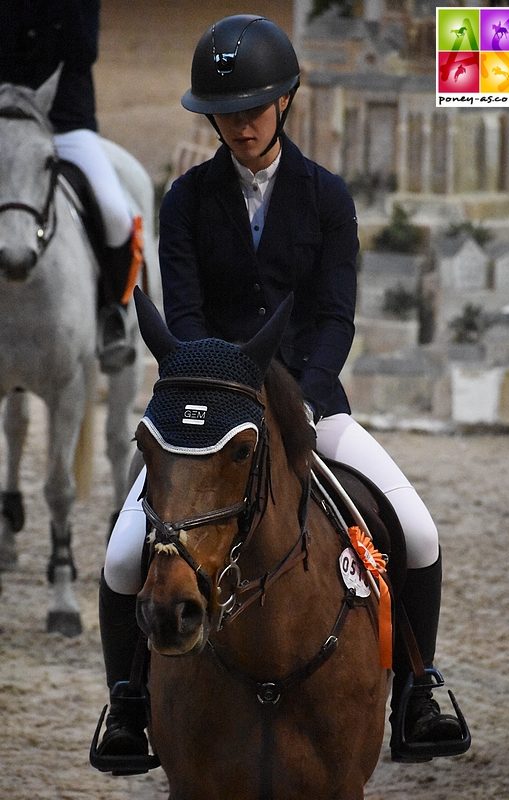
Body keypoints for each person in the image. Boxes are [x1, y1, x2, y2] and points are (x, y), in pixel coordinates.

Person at [92, 14, 468, 772]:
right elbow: (188, 313)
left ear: (285, 102)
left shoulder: (326, 197)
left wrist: (311, 397)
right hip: (205, 400)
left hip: (308, 403)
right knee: (124, 552)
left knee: (417, 532)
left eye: (251, 110)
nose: (237, 125)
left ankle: (416, 695)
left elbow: (334, 314)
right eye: (223, 114)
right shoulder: (187, 199)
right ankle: (128, 705)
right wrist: (216, 384)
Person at [0, 0, 141, 373]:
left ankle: (114, 314)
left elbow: (83, 49)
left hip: (68, 122)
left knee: (116, 213)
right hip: (10, 124)